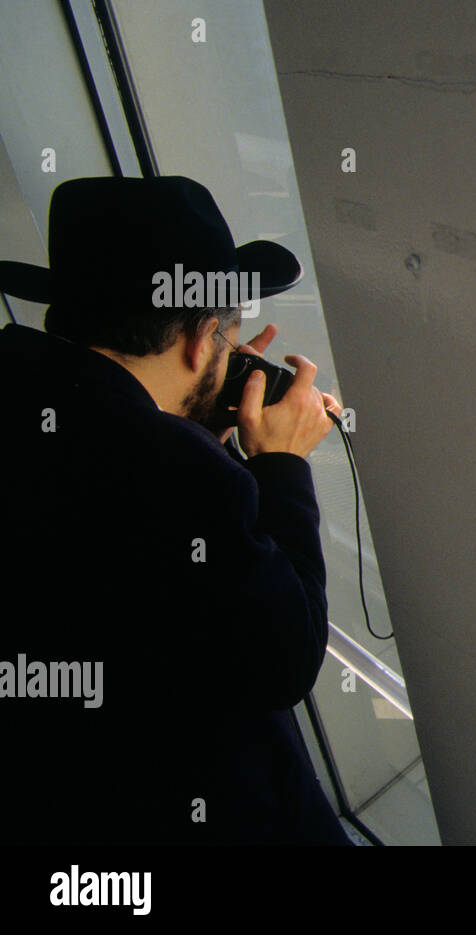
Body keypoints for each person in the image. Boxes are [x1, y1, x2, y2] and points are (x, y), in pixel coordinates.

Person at [0, 176, 353, 844]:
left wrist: (191, 420)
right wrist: (279, 464)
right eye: (225, 343)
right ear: (199, 339)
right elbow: (286, 654)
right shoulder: (181, 477)